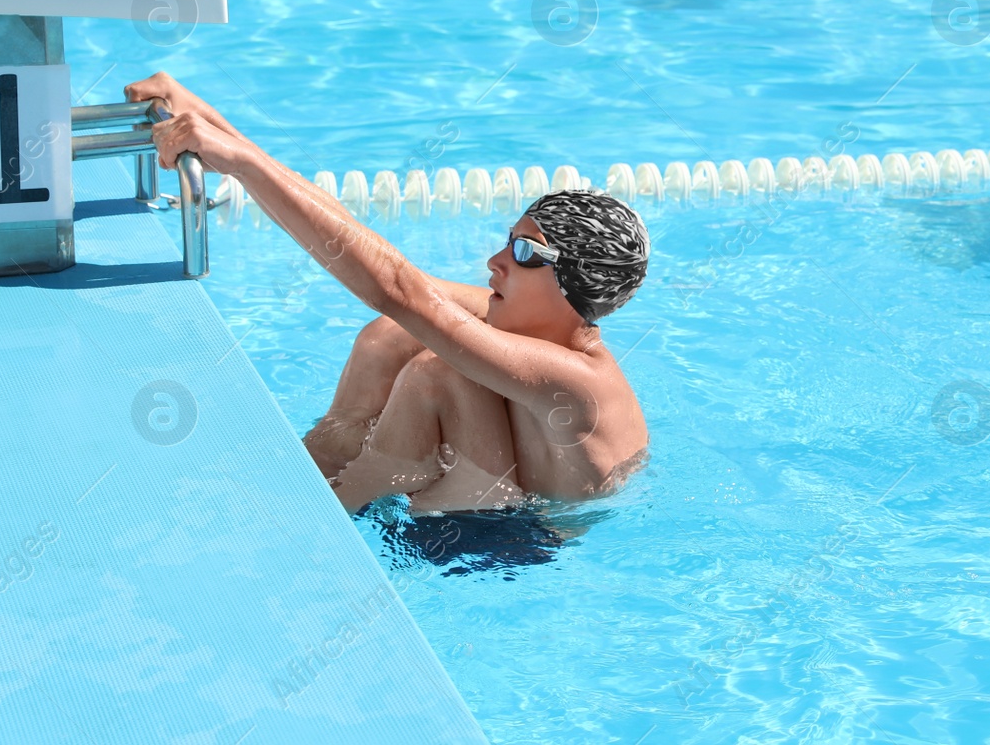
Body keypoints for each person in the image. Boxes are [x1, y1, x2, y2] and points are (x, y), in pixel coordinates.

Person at [125, 72, 651, 514]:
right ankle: (313, 469)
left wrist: (241, 164)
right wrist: (219, 133)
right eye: (506, 243)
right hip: (485, 499)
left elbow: (395, 288)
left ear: (572, 282)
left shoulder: (579, 386)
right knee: (393, 337)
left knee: (437, 371)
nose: (494, 262)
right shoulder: (529, 329)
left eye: (523, 253)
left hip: (507, 544)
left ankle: (302, 511)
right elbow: (371, 256)